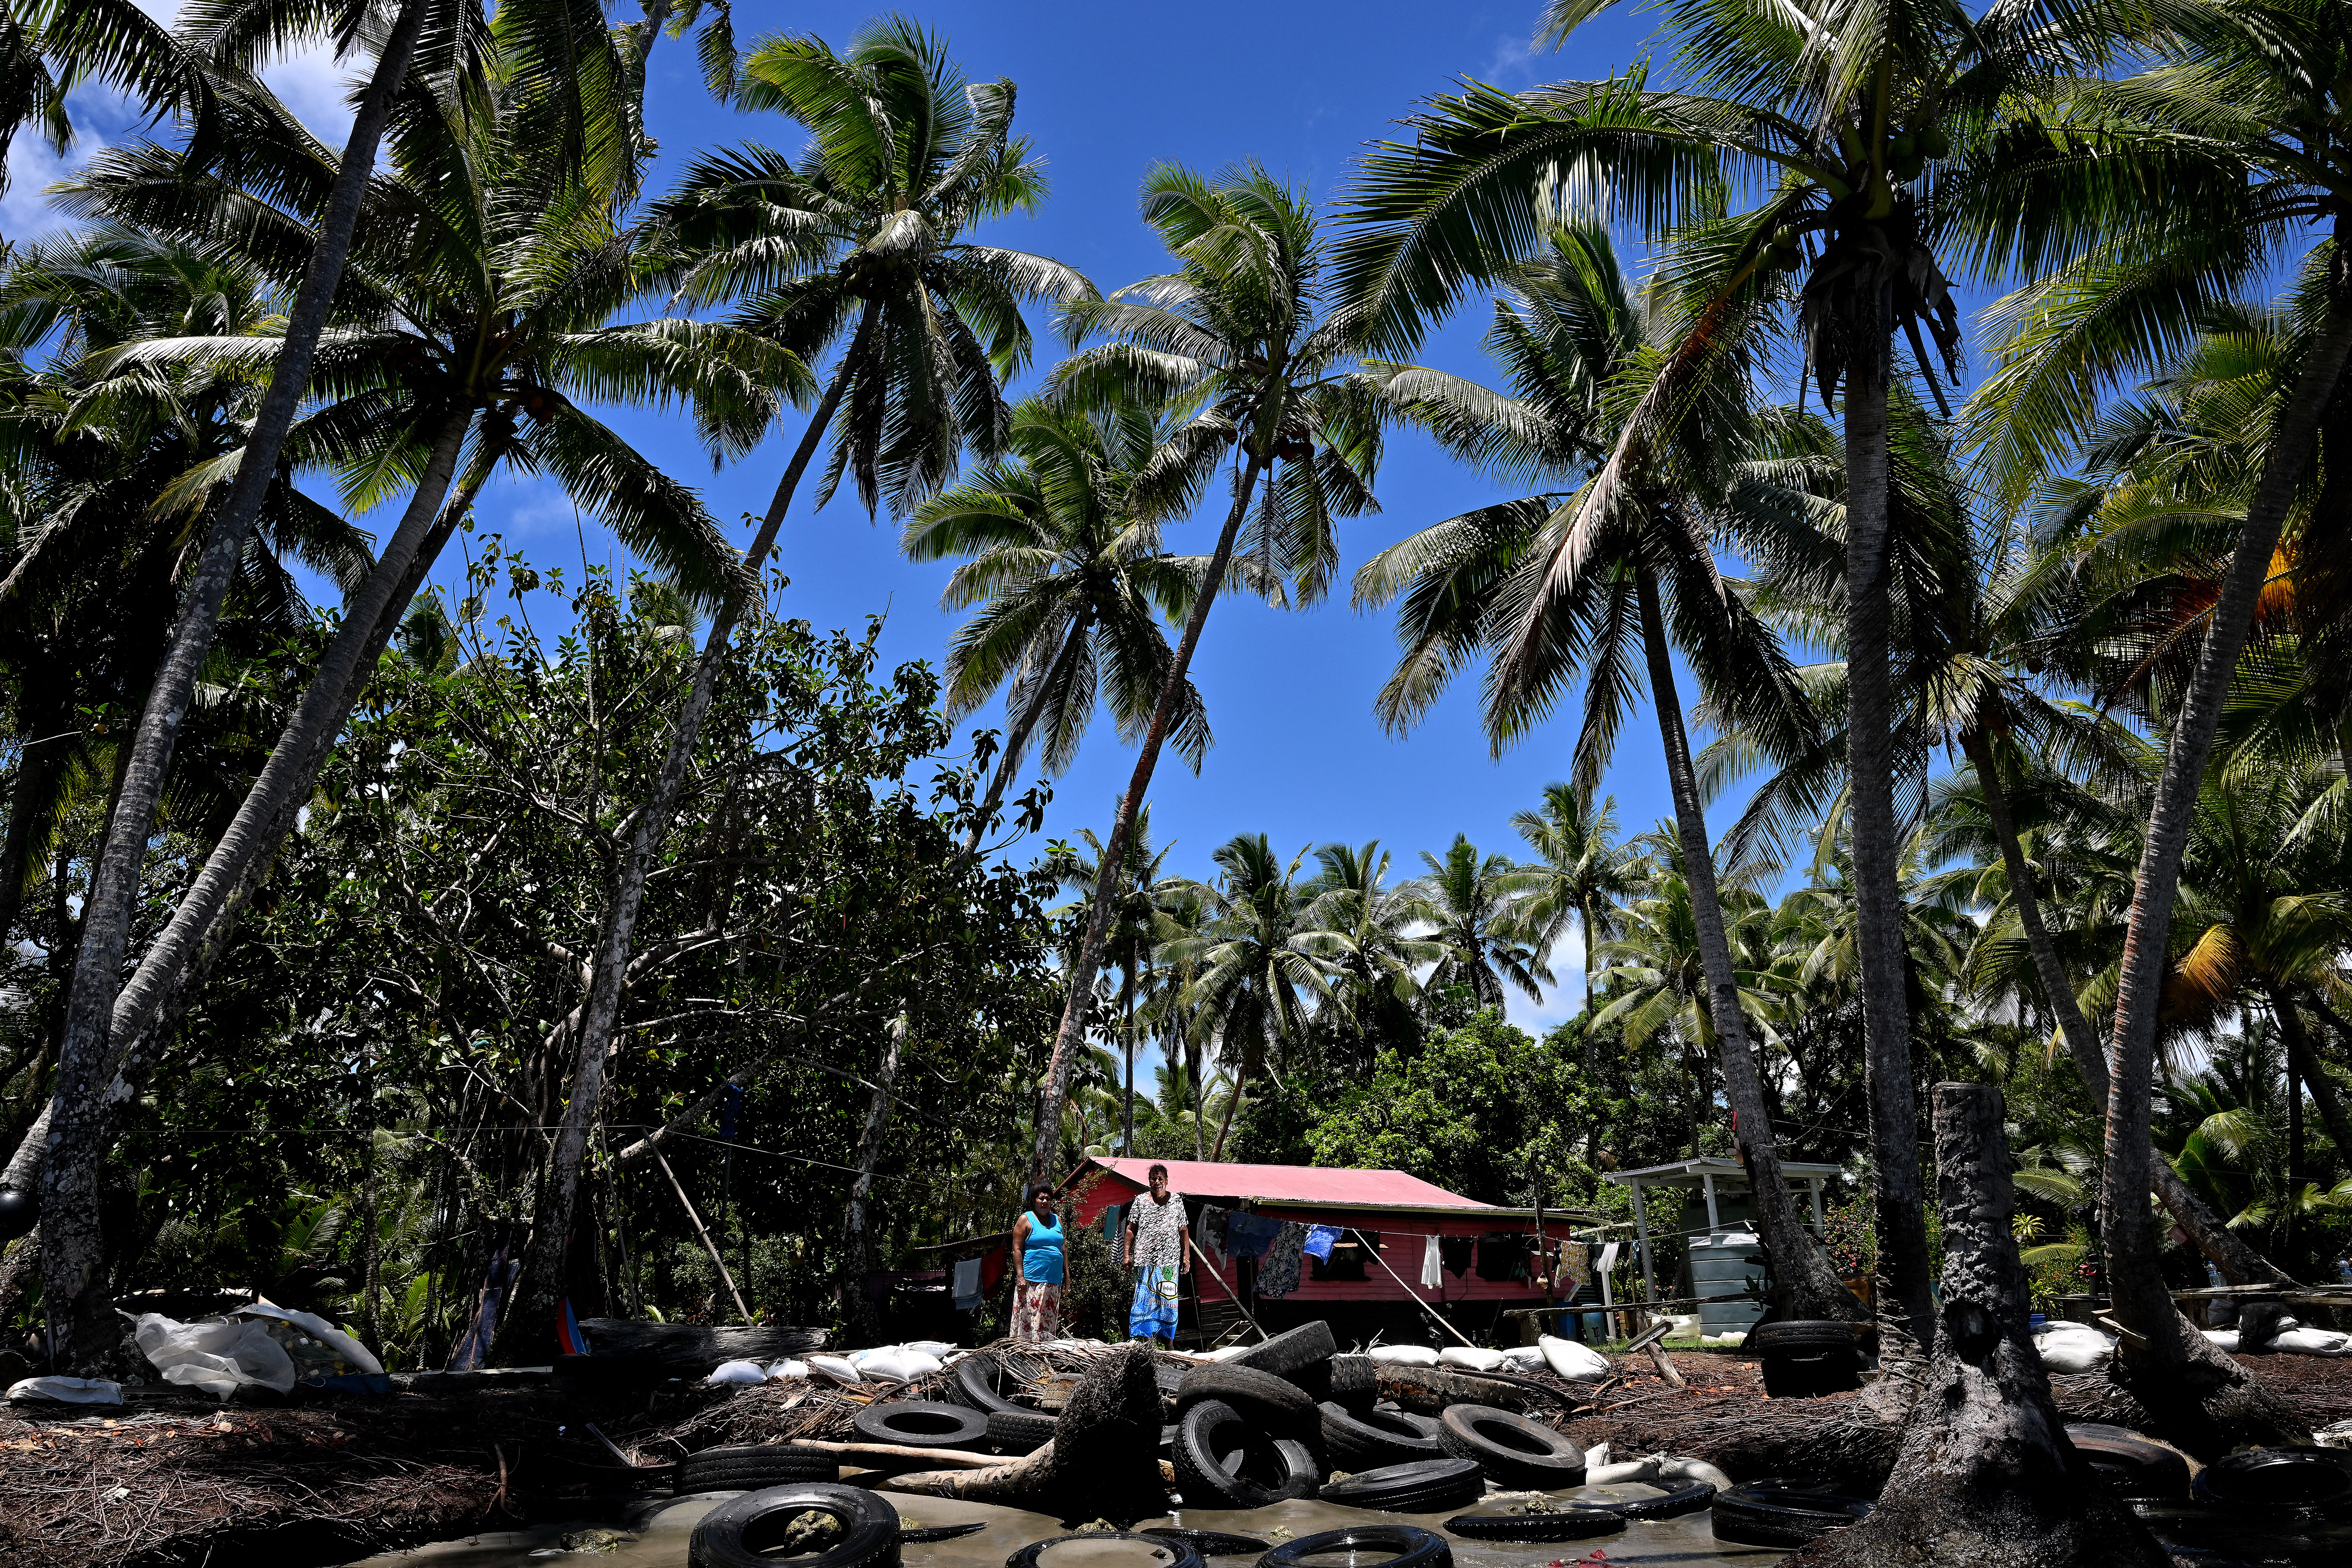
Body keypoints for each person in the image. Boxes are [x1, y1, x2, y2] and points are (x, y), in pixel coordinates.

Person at [1122, 1163, 1189, 1345]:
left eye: (1161, 1179)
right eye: (1154, 1179)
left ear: (1167, 1181)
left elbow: (1184, 1231)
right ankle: (1147, 1343)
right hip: (1145, 1262)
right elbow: (1130, 1230)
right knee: (1146, 1300)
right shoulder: (1141, 1201)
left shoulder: (1176, 1201)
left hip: (1169, 1262)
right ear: (1149, 1181)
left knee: (1168, 1303)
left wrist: (1187, 1257)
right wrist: (1127, 1255)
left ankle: (1169, 1344)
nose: (1157, 1182)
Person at [1011, 1184, 1064, 1342]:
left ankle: (1043, 1356)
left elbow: (1063, 1250)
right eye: (1041, 1198)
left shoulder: (1057, 1220)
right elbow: (1017, 1250)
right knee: (1028, 1321)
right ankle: (1024, 1354)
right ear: (1034, 1200)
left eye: (1048, 1199)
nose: (1045, 1202)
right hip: (1031, 1282)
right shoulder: (1025, 1219)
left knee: (1047, 1324)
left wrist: (1067, 1277)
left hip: (1053, 1282)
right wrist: (1020, 1277)